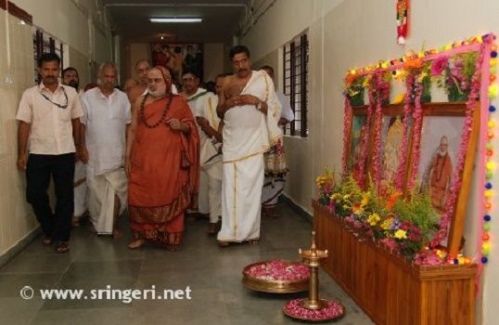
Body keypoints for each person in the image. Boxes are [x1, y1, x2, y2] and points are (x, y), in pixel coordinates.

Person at [16, 53, 84, 253]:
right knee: (35, 193)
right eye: (46, 69)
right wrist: (22, 153)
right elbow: (24, 124)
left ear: (59, 70)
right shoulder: (30, 94)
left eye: (54, 69)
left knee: (65, 196)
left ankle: (62, 237)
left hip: (65, 151)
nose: (50, 73)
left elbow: (76, 121)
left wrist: (79, 146)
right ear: (39, 70)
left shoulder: (70, 93)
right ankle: (50, 228)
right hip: (38, 152)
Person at [126, 66, 200, 250]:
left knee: (169, 193)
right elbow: (133, 129)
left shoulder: (178, 102)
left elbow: (191, 128)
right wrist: (127, 155)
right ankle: (143, 235)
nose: (152, 84)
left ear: (167, 81)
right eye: (149, 80)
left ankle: (170, 236)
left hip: (169, 161)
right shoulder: (140, 101)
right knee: (139, 195)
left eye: (157, 80)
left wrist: (180, 126)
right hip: (143, 160)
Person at [216, 45, 282, 246]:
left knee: (252, 188)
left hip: (253, 141)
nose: (240, 65)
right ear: (232, 64)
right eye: (236, 62)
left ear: (250, 60)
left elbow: (274, 108)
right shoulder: (226, 82)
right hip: (232, 141)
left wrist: (255, 101)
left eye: (244, 61)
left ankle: (251, 232)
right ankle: (228, 233)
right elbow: (219, 111)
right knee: (230, 188)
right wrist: (227, 104)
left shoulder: (262, 79)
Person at [80, 63, 131, 237]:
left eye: (112, 77)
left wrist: (129, 150)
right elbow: (81, 124)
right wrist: (81, 148)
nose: (109, 80)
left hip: (117, 155)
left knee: (117, 191)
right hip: (95, 155)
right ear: (99, 77)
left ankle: (111, 226)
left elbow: (128, 125)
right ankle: (98, 224)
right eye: (106, 76)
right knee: (96, 195)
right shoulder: (87, 97)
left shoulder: (123, 98)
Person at [259, 65, 294, 217]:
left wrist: (275, 121)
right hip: (257, 140)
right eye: (264, 75)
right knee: (258, 172)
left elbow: (289, 117)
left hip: (274, 140)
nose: (267, 78)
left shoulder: (280, 96)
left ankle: (271, 204)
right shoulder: (253, 95)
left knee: (274, 173)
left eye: (270, 75)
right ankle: (257, 205)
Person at [180, 70, 213, 220]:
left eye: (190, 79)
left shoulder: (207, 96)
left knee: (202, 175)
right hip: (184, 142)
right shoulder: (179, 98)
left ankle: (202, 208)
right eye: (185, 80)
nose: (187, 83)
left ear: (197, 81)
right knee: (185, 175)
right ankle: (188, 208)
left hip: (203, 141)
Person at [62, 67, 88, 227]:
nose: (72, 78)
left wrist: (81, 146)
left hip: (83, 143)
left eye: (74, 76)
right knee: (67, 182)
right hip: (64, 145)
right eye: (68, 76)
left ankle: (79, 212)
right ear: (62, 78)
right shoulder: (60, 96)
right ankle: (71, 214)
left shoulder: (84, 96)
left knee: (82, 180)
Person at [422, 135, 453, 211]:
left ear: (447, 146)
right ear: (440, 145)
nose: (443, 147)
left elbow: (451, 179)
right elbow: (428, 169)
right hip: (432, 190)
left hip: (441, 194)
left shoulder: (449, 160)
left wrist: (447, 195)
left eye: (445, 145)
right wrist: (425, 182)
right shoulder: (435, 157)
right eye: (442, 145)